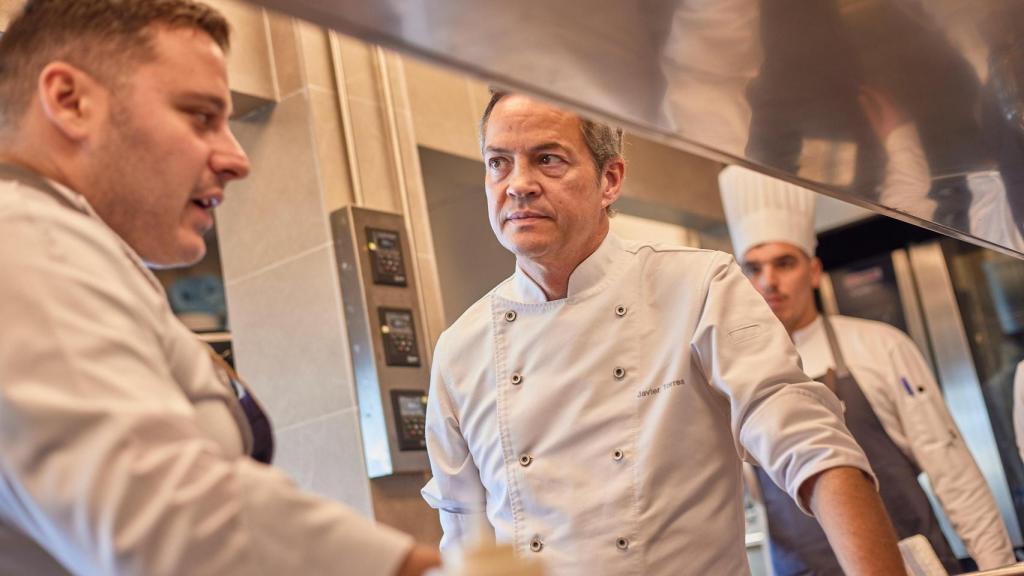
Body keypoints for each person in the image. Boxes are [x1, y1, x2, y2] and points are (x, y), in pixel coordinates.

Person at [0, 1, 440, 575]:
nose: (237, 159)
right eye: (200, 116)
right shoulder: (25, 239)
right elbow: (161, 522)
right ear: (69, 101)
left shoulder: (67, 245)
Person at [420, 90, 908, 576]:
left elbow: (807, 441)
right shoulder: (461, 350)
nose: (518, 184)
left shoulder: (698, 288)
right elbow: (466, 539)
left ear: (609, 179)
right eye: (498, 163)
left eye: (547, 159)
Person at [719, 164, 1016, 575]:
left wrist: (996, 568)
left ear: (815, 271)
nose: (767, 281)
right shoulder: (733, 377)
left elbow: (952, 472)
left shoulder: (879, 346)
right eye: (753, 268)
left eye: (784, 263)